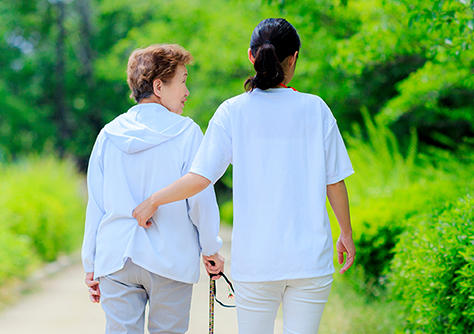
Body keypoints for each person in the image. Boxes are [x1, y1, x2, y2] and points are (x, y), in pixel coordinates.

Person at [133, 18, 355, 334]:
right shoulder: (316, 109)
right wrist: (345, 232)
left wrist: (154, 200)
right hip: (309, 260)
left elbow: (200, 178)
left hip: (257, 264)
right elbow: (335, 180)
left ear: (252, 56)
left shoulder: (232, 112)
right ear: (293, 58)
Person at [81, 44, 224, 334]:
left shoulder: (108, 134)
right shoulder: (187, 132)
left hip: (116, 259)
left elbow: (96, 203)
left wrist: (91, 262)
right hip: (170, 258)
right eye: (183, 82)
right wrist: (211, 249)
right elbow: (200, 199)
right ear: (159, 86)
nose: (187, 92)